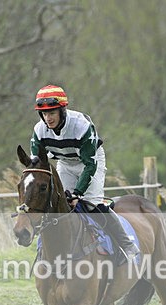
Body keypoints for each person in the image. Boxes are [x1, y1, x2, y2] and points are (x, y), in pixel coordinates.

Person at [29, 84, 140, 261]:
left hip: (89, 161)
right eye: (43, 114)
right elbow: (36, 165)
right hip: (65, 162)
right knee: (56, 206)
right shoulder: (39, 130)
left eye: (51, 113)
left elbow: (89, 165)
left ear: (62, 111)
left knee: (93, 205)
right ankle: (43, 252)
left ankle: (126, 244)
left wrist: (77, 194)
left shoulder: (81, 125)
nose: (47, 118)